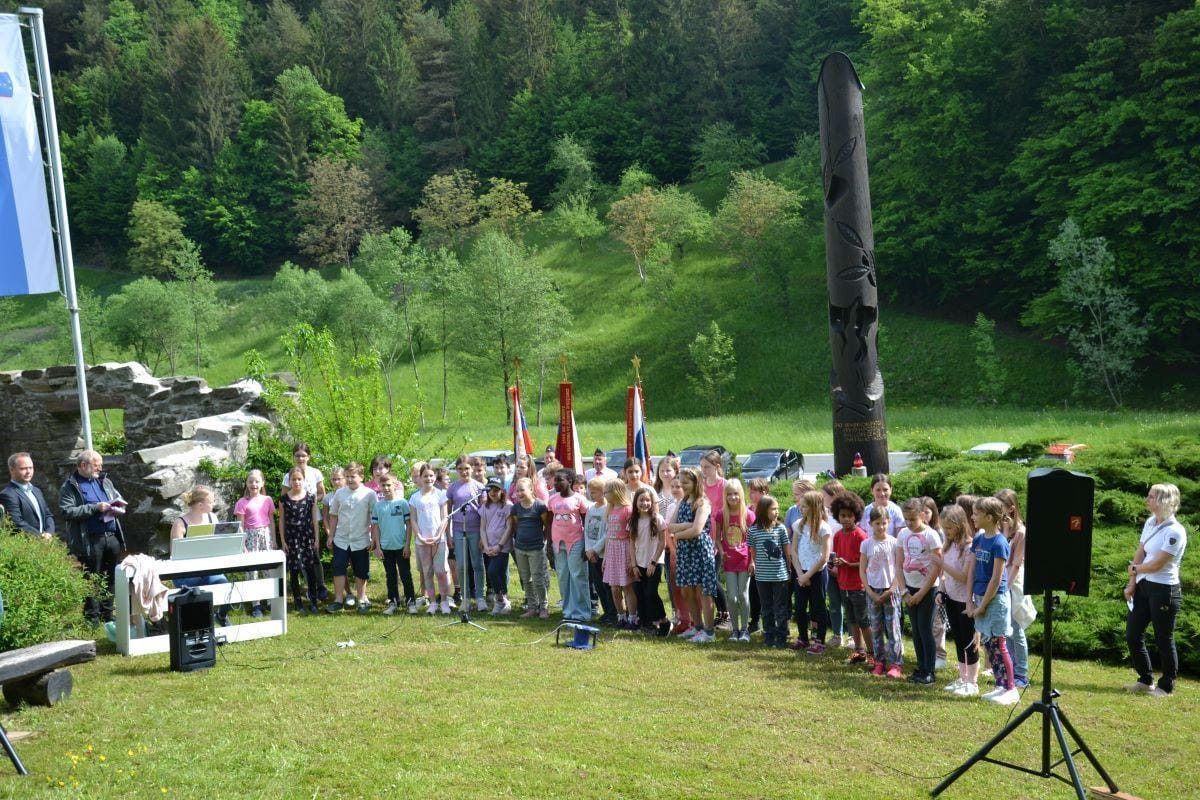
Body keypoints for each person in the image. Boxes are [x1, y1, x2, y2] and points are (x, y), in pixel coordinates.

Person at [1124, 483, 1187, 697]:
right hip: (1143, 585)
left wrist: (1135, 568)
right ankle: (1145, 679)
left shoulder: (1175, 532)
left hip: (1164, 590)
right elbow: (1140, 552)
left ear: (1165, 501)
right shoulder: (1151, 522)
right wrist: (1132, 582)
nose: (1147, 500)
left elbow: (1157, 565)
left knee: (1163, 639)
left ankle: (1166, 685)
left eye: (1151, 497)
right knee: (1133, 634)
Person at [59, 450, 126, 624]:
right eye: (96, 465)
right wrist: (96, 508)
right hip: (90, 539)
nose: (100, 468)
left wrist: (116, 507)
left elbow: (117, 498)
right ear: (83, 465)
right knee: (92, 578)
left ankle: (108, 615)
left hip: (111, 536)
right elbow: (67, 511)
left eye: (100, 465)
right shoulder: (71, 486)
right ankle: (92, 618)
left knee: (111, 576)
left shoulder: (105, 481)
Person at [966, 496, 1019, 705]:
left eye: (976, 513)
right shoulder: (979, 539)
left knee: (999, 644)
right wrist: (970, 601)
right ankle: (1000, 685)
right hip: (980, 598)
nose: (973, 517)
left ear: (989, 517)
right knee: (989, 644)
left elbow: (996, 579)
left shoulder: (999, 543)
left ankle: (1011, 688)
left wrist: (982, 606)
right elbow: (971, 570)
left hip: (994, 600)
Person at [931, 504, 979, 696]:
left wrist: (941, 563)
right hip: (950, 597)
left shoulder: (969, 547)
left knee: (969, 641)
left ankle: (972, 682)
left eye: (949, 528)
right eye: (944, 528)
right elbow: (945, 574)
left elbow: (964, 576)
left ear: (960, 525)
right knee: (958, 639)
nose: (946, 532)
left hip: (965, 599)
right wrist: (941, 591)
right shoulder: (949, 544)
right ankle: (962, 677)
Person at [169, 486, 230, 627]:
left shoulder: (212, 518)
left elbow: (221, 542)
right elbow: (175, 553)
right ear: (201, 505)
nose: (214, 504)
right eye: (211, 501)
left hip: (210, 569)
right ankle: (199, 625)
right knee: (195, 596)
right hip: (186, 572)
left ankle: (221, 616)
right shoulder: (180, 523)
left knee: (227, 588)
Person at [670, 469, 719, 642]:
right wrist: (687, 526)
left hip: (699, 550)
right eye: (681, 483)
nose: (682, 486)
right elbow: (671, 525)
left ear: (696, 483)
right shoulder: (683, 501)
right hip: (685, 551)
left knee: (703, 591)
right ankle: (697, 627)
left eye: (685, 483)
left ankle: (709, 631)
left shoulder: (702, 503)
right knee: (687, 590)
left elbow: (698, 530)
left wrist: (678, 534)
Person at [897, 497, 942, 684]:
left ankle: (929, 671)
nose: (909, 523)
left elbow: (936, 567)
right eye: (906, 519)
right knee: (915, 630)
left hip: (928, 589)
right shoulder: (902, 534)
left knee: (925, 629)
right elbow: (898, 564)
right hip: (909, 589)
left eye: (912, 519)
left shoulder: (931, 535)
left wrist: (921, 593)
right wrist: (904, 592)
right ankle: (920, 667)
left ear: (923, 515)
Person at [326, 462, 377, 614]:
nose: (349, 480)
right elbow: (333, 515)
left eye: (352, 477)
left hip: (361, 539)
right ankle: (338, 600)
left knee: (361, 571)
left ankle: (361, 599)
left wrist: (374, 538)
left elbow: (375, 518)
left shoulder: (369, 494)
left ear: (361, 477)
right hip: (341, 539)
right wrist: (331, 536)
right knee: (338, 569)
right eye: (347, 476)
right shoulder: (340, 493)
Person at [281, 443, 328, 602]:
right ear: (293, 457)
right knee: (298, 558)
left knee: (314, 555)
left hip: (312, 517)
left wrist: (312, 499)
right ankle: (308, 588)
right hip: (295, 521)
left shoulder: (316, 472)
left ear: (308, 456)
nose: (300, 458)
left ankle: (320, 586)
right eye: (297, 455)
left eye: (303, 455)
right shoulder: (289, 475)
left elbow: (322, 493)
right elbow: (284, 497)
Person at [995, 488, 1032, 688]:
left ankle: (1022, 673)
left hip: (1013, 582)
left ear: (1010, 508)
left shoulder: (1021, 532)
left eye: (1000, 508)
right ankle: (1010, 669)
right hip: (1001, 581)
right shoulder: (1002, 529)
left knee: (1016, 629)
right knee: (1005, 629)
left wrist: (1005, 587)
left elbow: (1016, 563)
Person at [862, 507, 903, 678]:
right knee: (876, 629)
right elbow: (862, 570)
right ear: (870, 524)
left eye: (884, 523)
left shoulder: (894, 542)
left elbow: (899, 568)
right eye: (877, 523)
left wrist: (892, 589)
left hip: (890, 592)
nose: (880, 527)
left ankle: (896, 664)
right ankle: (879, 662)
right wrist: (870, 592)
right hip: (873, 591)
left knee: (893, 629)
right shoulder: (866, 544)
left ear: (889, 523)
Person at [830, 491, 870, 664]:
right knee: (851, 619)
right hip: (843, 584)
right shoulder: (838, 535)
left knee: (863, 620)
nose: (845, 519)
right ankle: (858, 652)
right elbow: (838, 556)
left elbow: (866, 564)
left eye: (849, 516)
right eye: (842, 515)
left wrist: (848, 564)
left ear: (856, 516)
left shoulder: (861, 536)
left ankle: (873, 653)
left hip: (858, 586)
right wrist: (837, 563)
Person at [501, 478, 550, 618]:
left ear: (531, 490)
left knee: (537, 578)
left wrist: (544, 541)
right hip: (520, 548)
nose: (519, 493)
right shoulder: (516, 508)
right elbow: (516, 525)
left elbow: (546, 524)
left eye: (522, 490)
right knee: (526, 578)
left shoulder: (540, 506)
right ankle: (532, 607)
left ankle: (543, 607)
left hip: (536, 548)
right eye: (517, 491)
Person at [791, 490, 832, 655]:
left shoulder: (824, 528)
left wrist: (808, 575)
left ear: (814, 507)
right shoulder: (798, 525)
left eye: (805, 506)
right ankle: (803, 638)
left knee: (818, 607)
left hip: (817, 573)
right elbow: (793, 551)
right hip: (801, 573)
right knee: (800, 607)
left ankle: (820, 641)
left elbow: (825, 556)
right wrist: (800, 574)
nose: (801, 509)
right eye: (800, 506)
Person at [548, 469, 591, 622]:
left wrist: (587, 546)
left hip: (576, 541)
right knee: (563, 576)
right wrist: (548, 546)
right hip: (558, 542)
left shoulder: (580, 500)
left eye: (560, 480)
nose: (556, 483)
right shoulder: (552, 499)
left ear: (570, 482)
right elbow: (548, 522)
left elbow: (587, 523)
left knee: (577, 575)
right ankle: (568, 611)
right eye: (555, 480)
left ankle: (582, 613)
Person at [277, 465, 322, 614]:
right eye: (293, 479)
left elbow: (314, 520)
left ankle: (314, 600)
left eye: (299, 479)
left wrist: (316, 539)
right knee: (294, 571)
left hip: (307, 537)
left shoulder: (310, 497)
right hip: (291, 538)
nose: (296, 482)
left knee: (310, 570)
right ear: (289, 481)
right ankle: (298, 602)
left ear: (304, 480)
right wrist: (283, 541)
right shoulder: (283, 500)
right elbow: (281, 521)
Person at [748, 495, 790, 649]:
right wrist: (752, 563)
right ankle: (769, 635)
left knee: (780, 607)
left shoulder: (781, 528)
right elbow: (752, 552)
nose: (776, 512)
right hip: (762, 576)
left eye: (777, 509)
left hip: (780, 575)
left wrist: (789, 569)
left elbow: (787, 551)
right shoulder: (753, 531)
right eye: (773, 509)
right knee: (766, 607)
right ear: (763, 511)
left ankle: (782, 636)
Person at [715, 480, 754, 642]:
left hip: (745, 560)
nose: (733, 497)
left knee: (743, 595)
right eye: (729, 494)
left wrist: (753, 561)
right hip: (729, 561)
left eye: (736, 493)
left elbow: (753, 540)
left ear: (741, 495)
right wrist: (722, 552)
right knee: (732, 596)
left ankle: (744, 629)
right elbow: (717, 538)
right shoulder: (721, 514)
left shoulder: (748, 515)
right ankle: (735, 629)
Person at [234, 469, 276, 618]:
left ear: (262, 483)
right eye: (251, 481)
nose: (254, 484)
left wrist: (274, 541)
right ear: (246, 483)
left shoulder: (268, 500)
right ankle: (255, 604)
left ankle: (271, 601)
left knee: (269, 570)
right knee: (252, 571)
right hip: (250, 537)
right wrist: (242, 545)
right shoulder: (241, 502)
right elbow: (240, 525)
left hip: (265, 536)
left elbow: (271, 521)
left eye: (257, 481)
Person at [447, 456, 486, 612]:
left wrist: (483, 535)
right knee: (462, 565)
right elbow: (448, 513)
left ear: (472, 469)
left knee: (477, 564)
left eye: (467, 468)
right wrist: (448, 535)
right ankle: (465, 597)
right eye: (460, 469)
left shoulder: (479, 487)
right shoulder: (452, 488)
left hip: (475, 529)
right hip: (458, 530)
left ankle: (480, 597)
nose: (464, 472)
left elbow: (484, 513)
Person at [411, 465, 451, 614]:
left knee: (441, 571)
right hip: (422, 542)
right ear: (420, 478)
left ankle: (445, 600)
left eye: (431, 476)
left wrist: (439, 535)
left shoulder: (440, 495)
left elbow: (444, 517)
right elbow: (413, 519)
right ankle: (433, 602)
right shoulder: (415, 497)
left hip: (438, 540)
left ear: (435, 477)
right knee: (427, 572)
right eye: (425, 476)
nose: (428, 479)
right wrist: (420, 536)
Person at [630, 486, 669, 636]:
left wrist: (653, 562)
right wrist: (634, 565)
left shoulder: (658, 519)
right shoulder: (633, 521)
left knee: (651, 594)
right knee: (639, 593)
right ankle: (646, 623)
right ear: (636, 502)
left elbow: (662, 542)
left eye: (647, 500)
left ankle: (664, 621)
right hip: (638, 563)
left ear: (652, 502)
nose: (644, 503)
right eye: (641, 500)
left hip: (654, 563)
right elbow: (631, 544)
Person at [372, 475, 413, 616]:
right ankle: (394, 602)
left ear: (395, 485)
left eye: (389, 485)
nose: (386, 488)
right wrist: (377, 547)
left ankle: (410, 601)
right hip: (385, 547)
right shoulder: (378, 505)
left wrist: (407, 545)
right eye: (383, 486)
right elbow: (375, 527)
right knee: (390, 576)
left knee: (405, 574)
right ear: (380, 487)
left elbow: (409, 524)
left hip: (401, 546)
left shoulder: (402, 503)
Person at [602, 479, 637, 628]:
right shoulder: (609, 509)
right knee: (614, 587)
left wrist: (631, 558)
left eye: (607, 492)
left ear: (616, 491)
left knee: (627, 586)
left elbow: (632, 536)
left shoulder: (628, 509)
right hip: (612, 550)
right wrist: (605, 557)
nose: (605, 495)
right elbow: (609, 535)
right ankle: (620, 616)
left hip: (624, 548)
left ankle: (633, 618)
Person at [583, 477, 614, 625]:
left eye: (594, 492)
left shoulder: (608, 509)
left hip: (603, 553)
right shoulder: (591, 508)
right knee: (598, 585)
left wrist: (595, 550)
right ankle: (606, 611)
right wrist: (588, 549)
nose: (591, 495)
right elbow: (587, 530)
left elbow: (607, 533)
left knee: (607, 585)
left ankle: (612, 612)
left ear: (603, 493)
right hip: (592, 553)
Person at [1, 452, 54, 538]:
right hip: (25, 546)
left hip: (44, 543)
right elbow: (16, 523)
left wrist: (49, 533)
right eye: (23, 468)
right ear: (12, 470)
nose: (28, 471)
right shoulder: (8, 494)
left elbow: (48, 515)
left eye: (31, 468)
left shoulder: (37, 491)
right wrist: (41, 537)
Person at [479, 480, 513, 614]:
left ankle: (501, 600)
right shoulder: (485, 507)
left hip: (502, 547)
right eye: (490, 490)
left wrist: (500, 546)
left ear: (502, 491)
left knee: (495, 571)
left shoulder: (507, 506)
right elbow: (482, 528)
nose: (492, 493)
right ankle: (502, 601)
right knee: (492, 572)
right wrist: (486, 546)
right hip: (489, 546)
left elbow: (509, 527)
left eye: (496, 490)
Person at [820, 479, 846, 645]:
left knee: (849, 601)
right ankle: (837, 634)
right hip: (828, 560)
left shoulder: (845, 514)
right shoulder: (823, 514)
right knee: (834, 601)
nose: (822, 499)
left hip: (844, 561)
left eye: (825, 496)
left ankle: (852, 635)